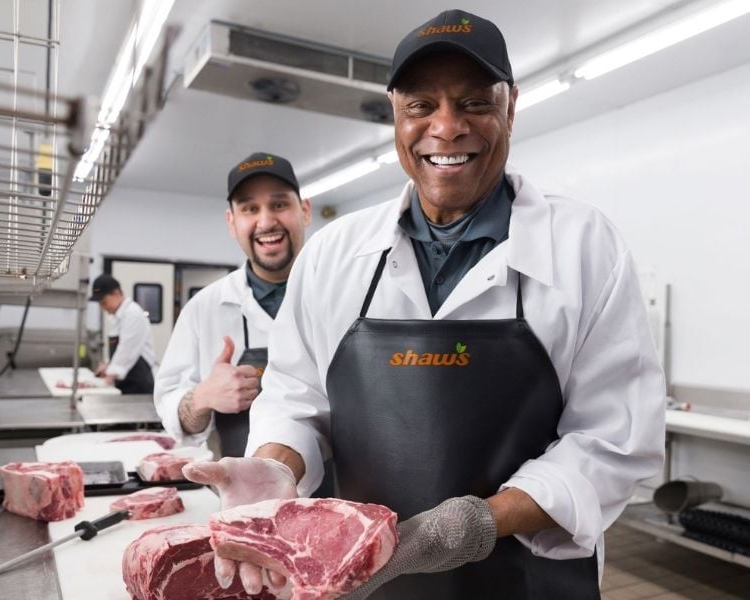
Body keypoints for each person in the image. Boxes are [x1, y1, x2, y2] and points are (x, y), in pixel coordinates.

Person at [184, 9, 666, 600]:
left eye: (473, 103)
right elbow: (295, 396)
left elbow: (612, 439)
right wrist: (277, 465)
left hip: (533, 580)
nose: (446, 127)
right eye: (421, 106)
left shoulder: (585, 247)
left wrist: (476, 524)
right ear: (395, 112)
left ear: (510, 106)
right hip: (363, 582)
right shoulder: (335, 254)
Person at [154, 152, 312, 459]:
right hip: (240, 497)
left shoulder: (347, 296)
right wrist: (202, 397)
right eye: (250, 208)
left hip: (345, 497)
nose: (266, 221)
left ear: (304, 211)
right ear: (232, 222)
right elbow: (172, 410)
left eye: (279, 204)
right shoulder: (203, 309)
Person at [90, 273, 158, 394]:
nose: (103, 307)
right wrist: (107, 365)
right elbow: (119, 351)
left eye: (104, 302)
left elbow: (127, 349)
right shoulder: (119, 317)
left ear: (117, 293)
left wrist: (109, 375)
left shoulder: (133, 313)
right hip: (127, 382)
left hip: (139, 384)